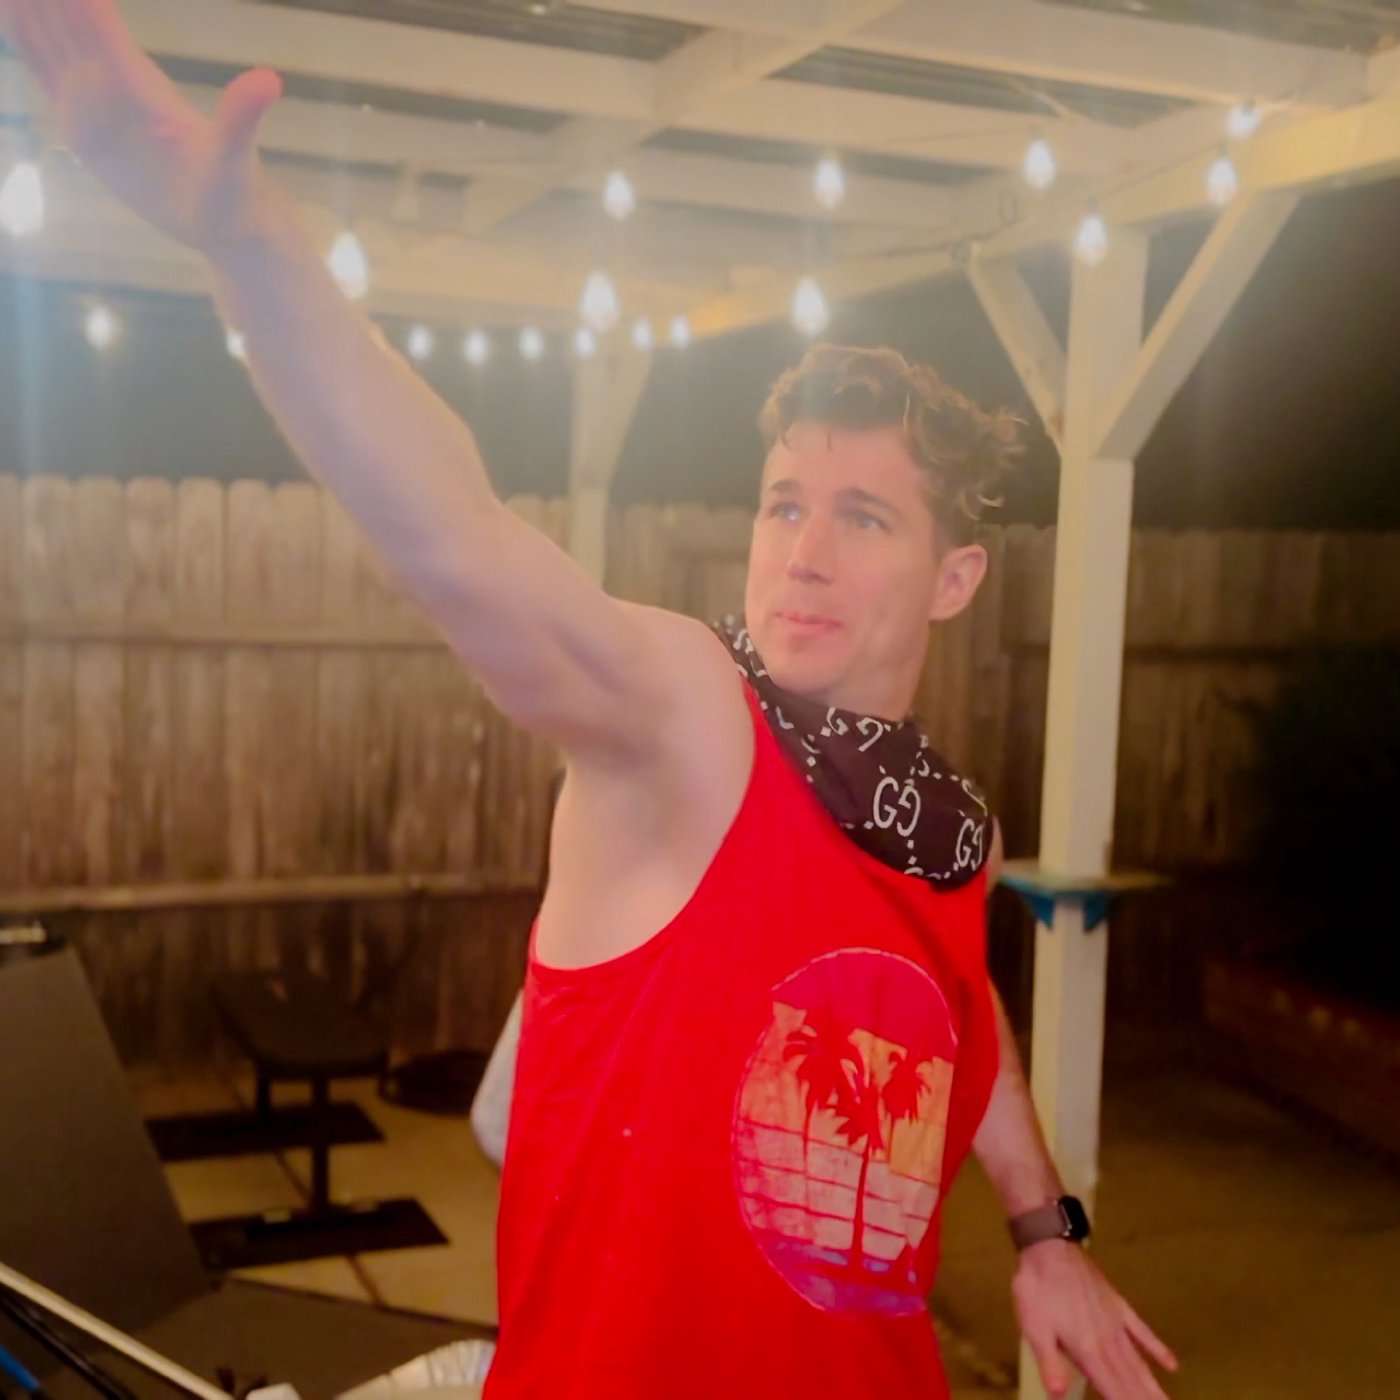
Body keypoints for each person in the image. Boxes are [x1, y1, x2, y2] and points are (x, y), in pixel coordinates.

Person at [0, 5, 1178, 1396]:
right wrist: (246, 246)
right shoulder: (692, 722)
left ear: (955, 578)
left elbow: (961, 1017)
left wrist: (1045, 1232)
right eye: (783, 504)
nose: (801, 552)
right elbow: (456, 535)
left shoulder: (942, 828)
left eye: (862, 517)